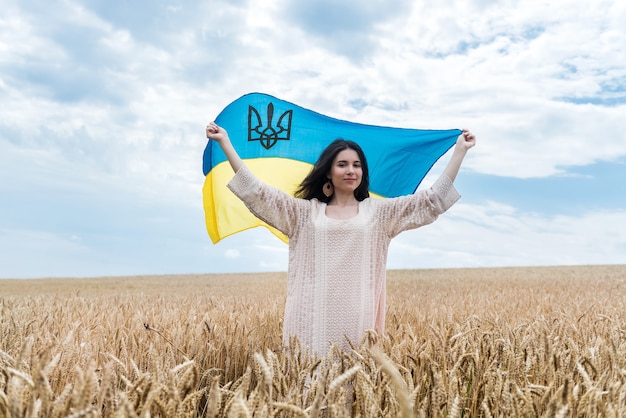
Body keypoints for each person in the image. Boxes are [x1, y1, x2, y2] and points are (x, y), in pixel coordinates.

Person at [206, 121, 476, 358]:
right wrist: (225, 143)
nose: (351, 170)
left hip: (357, 323)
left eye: (357, 165)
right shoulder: (304, 214)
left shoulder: (379, 213)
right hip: (309, 322)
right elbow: (258, 193)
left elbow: (430, 201)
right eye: (343, 164)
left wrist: (459, 152)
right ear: (328, 172)